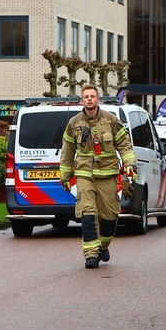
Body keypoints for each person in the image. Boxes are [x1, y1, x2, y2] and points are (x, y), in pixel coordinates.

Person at [59, 84, 137, 269]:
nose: (89, 99)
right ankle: (91, 255)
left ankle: (103, 245)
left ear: (98, 99)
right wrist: (65, 176)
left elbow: (124, 145)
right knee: (87, 213)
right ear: (82, 100)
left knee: (110, 216)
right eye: (86, 96)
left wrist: (130, 164)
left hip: (108, 175)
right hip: (85, 175)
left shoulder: (111, 120)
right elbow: (67, 151)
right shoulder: (74, 123)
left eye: (92, 96)